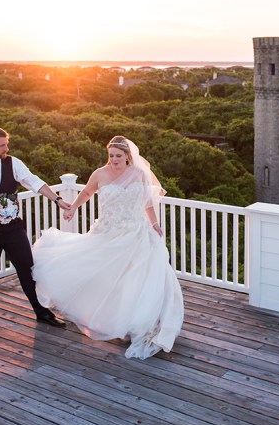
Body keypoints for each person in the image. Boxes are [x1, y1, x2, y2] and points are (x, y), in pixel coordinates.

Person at [31, 136, 184, 359]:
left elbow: (147, 202)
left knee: (136, 279)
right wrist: (73, 207)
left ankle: (136, 322)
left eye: (118, 156)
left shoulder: (139, 174)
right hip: (108, 232)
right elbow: (86, 193)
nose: (114, 159)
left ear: (128, 156)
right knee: (106, 276)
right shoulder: (99, 174)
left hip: (136, 234)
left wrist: (154, 223)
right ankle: (109, 317)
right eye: (111, 155)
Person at [0, 126, 71, 333]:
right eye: (2, 145)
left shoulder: (14, 163)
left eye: (7, 143)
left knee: (28, 270)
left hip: (14, 229)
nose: (6, 148)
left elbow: (34, 182)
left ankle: (41, 311)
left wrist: (57, 199)